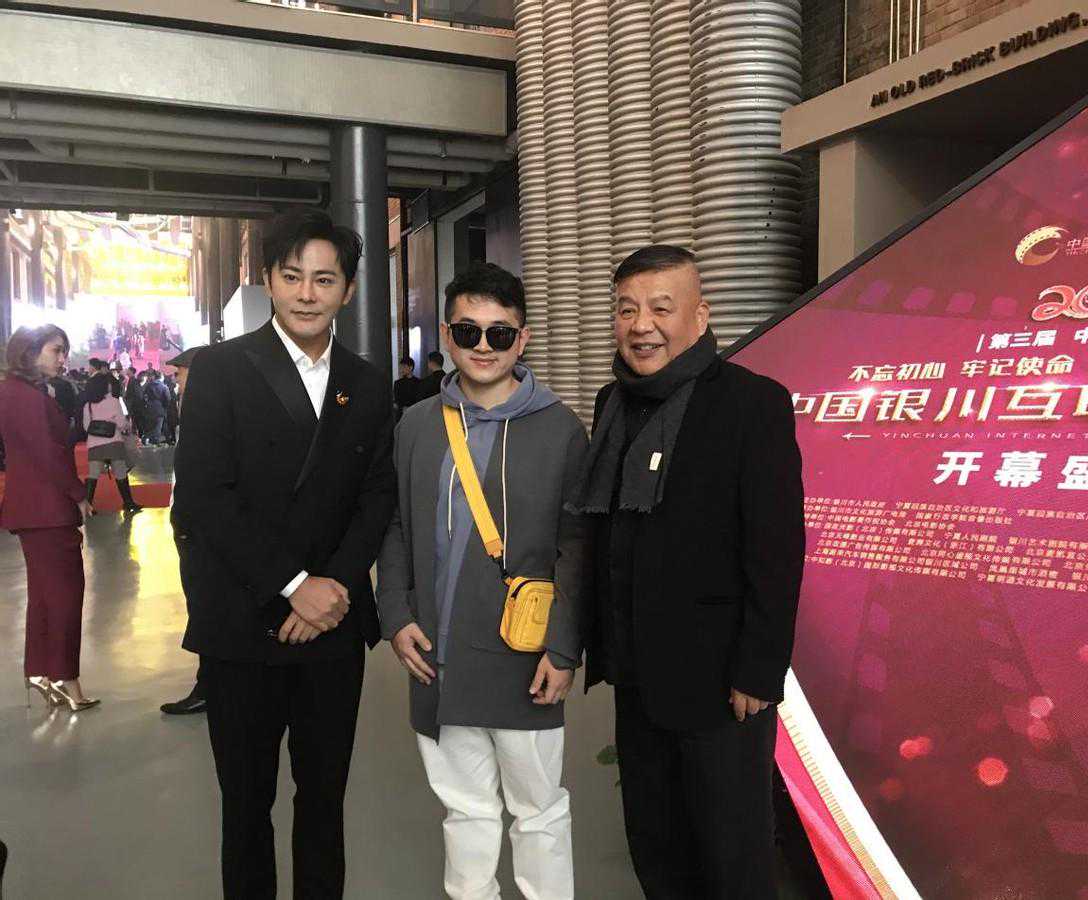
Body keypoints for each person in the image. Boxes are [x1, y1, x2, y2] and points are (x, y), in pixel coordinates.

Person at [173, 208, 395, 899]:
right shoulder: (220, 370)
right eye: (292, 275)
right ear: (268, 279)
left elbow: (375, 498)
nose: (306, 293)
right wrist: (295, 584)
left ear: (347, 291)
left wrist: (334, 588)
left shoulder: (367, 381)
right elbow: (206, 497)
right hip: (244, 626)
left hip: (331, 629)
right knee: (245, 807)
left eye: (324, 280)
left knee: (324, 802)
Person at [573, 245, 805, 900]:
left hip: (720, 682)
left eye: (660, 308)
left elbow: (777, 550)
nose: (641, 325)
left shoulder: (752, 404)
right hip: (636, 673)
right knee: (656, 844)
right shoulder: (612, 402)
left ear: (700, 317)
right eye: (627, 310)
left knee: (731, 856)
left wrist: (758, 670)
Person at [377, 262, 589, 900]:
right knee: (463, 809)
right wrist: (395, 614)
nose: (484, 347)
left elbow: (578, 545)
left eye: (500, 334)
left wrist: (563, 647)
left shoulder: (560, 429)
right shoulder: (417, 425)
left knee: (538, 809)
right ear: (447, 335)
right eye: (469, 331)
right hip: (437, 654)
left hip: (523, 655)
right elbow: (395, 525)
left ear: (523, 339)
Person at [0, 325, 100, 713]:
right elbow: (49, 454)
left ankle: (42, 671)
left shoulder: (19, 392)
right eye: (56, 350)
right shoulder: (24, 396)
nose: (63, 358)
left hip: (35, 508)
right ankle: (64, 677)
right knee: (64, 596)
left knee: (45, 595)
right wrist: (79, 494)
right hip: (47, 508)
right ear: (30, 351)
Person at [160, 345, 210, 716]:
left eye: (180, 373)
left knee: (206, 606)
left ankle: (211, 686)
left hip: (203, 531)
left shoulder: (209, 410)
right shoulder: (192, 406)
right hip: (193, 526)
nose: (176, 380)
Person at [81, 370, 142, 514]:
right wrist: (124, 426)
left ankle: (87, 506)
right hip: (113, 442)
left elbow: (86, 426)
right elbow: (121, 423)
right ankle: (128, 502)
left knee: (93, 474)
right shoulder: (113, 401)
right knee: (120, 472)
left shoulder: (88, 405)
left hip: (94, 444)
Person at [142, 370, 170, 445]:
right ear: (161, 377)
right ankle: (149, 438)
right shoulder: (164, 386)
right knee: (158, 427)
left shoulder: (148, 385)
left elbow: (144, 396)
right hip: (160, 408)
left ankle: (153, 440)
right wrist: (165, 407)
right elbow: (168, 399)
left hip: (150, 408)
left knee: (152, 425)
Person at [392, 355, 421, 420]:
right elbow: (397, 400)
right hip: (401, 415)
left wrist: (410, 408)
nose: (402, 369)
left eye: (404, 367)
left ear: (411, 367)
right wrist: (402, 407)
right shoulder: (397, 383)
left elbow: (419, 400)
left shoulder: (419, 383)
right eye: (401, 367)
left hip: (415, 414)